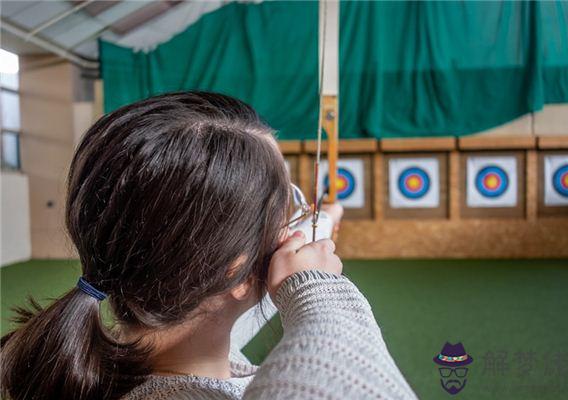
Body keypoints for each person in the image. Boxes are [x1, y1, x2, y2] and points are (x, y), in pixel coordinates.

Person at [0, 92, 417, 400]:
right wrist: (316, 287)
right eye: (286, 206)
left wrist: (318, 224)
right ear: (231, 268)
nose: (296, 221)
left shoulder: (115, 368)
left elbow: (213, 306)